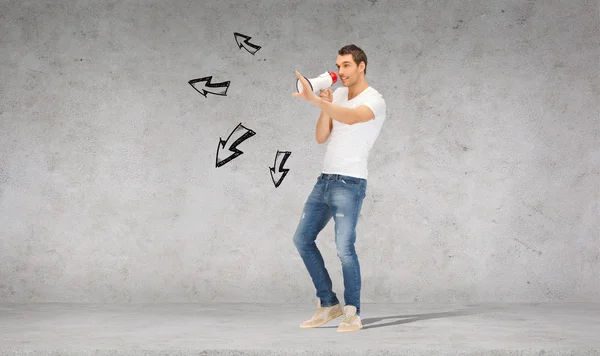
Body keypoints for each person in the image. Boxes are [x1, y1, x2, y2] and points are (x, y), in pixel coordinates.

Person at [291, 44, 386, 332]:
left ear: (361, 66)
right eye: (338, 65)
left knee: (344, 248)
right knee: (302, 240)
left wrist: (317, 101)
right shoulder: (339, 95)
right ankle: (328, 304)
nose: (340, 71)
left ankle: (352, 312)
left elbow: (352, 117)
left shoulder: (375, 100)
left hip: (351, 182)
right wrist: (324, 104)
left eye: (346, 65)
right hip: (325, 180)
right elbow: (322, 137)